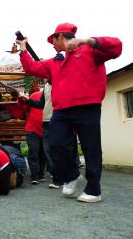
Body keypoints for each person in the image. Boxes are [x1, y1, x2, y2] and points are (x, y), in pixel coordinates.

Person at [17, 23, 122, 202]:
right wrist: (23, 49)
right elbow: (31, 68)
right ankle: (71, 175)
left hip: (88, 106)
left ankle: (93, 190)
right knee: (55, 144)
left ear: (61, 37)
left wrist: (87, 41)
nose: (52, 44)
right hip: (61, 111)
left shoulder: (89, 51)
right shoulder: (55, 62)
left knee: (91, 148)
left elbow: (117, 46)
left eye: (53, 40)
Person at [19, 82, 78, 189]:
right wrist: (26, 100)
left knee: (55, 151)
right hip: (41, 125)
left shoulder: (62, 84)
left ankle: (67, 176)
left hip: (56, 122)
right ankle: (49, 178)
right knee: (43, 151)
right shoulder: (44, 89)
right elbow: (36, 106)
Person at [19, 86, 46, 185]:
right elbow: (25, 108)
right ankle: (34, 176)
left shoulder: (52, 95)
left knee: (43, 153)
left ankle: (41, 174)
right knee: (34, 151)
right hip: (32, 129)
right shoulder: (35, 95)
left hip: (45, 128)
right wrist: (23, 100)